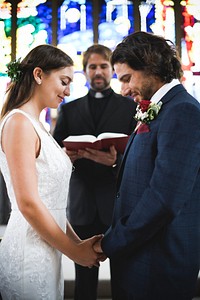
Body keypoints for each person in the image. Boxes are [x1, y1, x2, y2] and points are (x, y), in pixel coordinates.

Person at [94, 31, 200, 300]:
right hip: (141, 255)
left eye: (127, 78)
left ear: (152, 67)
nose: (124, 89)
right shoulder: (161, 107)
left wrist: (112, 241)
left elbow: (164, 197)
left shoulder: (182, 110)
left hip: (159, 263)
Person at [0, 44, 104, 300]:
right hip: (29, 250)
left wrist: (77, 243)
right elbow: (28, 203)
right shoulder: (19, 123)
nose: (68, 91)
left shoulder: (38, 125)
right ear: (38, 75)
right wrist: (74, 251)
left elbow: (52, 202)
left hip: (49, 248)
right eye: (64, 81)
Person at [53, 44, 137, 300]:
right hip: (82, 203)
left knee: (124, 277)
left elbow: (139, 154)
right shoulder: (69, 108)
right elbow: (56, 152)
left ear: (111, 70)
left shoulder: (129, 106)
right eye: (92, 67)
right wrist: (66, 156)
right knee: (84, 282)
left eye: (103, 66)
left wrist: (115, 160)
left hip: (117, 204)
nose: (98, 72)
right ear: (85, 71)